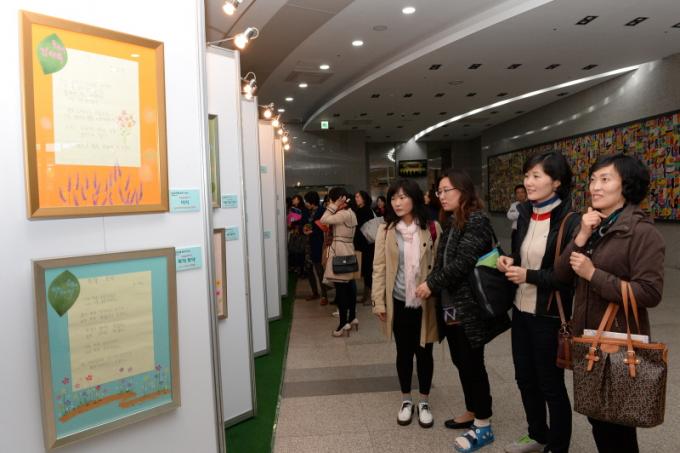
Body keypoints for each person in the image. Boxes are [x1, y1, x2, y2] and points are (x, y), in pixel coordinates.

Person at [554, 154, 665, 453]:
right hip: (588, 338)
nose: (595, 187)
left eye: (605, 179)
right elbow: (561, 275)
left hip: (618, 341)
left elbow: (650, 292)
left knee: (618, 425)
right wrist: (581, 235)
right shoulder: (592, 225)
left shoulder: (642, 232)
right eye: (593, 180)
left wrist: (594, 275)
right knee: (599, 418)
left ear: (626, 186)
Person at [415, 169, 506, 453]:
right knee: (461, 361)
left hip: (469, 308)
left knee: (472, 363)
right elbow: (443, 262)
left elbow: (463, 263)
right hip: (452, 307)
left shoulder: (476, 221)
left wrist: (430, 284)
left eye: (447, 190)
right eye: (439, 191)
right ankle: (472, 409)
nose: (441, 196)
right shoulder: (454, 220)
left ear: (464, 192)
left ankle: (483, 424)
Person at [496, 152, 580, 453]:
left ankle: (557, 446)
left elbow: (565, 276)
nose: (528, 182)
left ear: (556, 182)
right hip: (520, 310)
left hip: (548, 315)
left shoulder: (571, 221)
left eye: (536, 176)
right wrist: (509, 261)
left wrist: (527, 275)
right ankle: (537, 434)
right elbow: (521, 255)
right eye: (526, 175)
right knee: (525, 379)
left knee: (550, 385)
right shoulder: (525, 214)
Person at [372, 179, 441, 429]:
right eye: (393, 198)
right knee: (403, 352)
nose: (397, 202)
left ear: (415, 198)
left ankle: (424, 401)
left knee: (425, 352)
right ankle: (406, 399)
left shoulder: (432, 227)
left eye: (402, 197)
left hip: (425, 302)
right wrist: (378, 302)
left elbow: (440, 265)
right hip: (398, 301)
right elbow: (379, 268)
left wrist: (430, 285)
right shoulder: (386, 230)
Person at [321, 188, 358, 336]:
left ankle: (343, 324)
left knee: (341, 291)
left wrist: (334, 205)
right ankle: (352, 317)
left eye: (331, 200)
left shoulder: (342, 214)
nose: (330, 202)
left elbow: (324, 219)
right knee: (349, 287)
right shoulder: (350, 212)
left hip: (340, 254)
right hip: (348, 251)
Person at [303, 191, 328, 304]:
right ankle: (314, 292)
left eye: (307, 201)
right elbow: (303, 223)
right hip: (308, 244)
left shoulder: (322, 211)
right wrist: (303, 229)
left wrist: (313, 232)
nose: (306, 203)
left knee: (319, 271)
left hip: (318, 243)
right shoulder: (306, 211)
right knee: (309, 269)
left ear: (312, 201)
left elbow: (325, 228)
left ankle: (324, 296)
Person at [353, 190, 376, 305]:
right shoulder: (360, 210)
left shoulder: (366, 210)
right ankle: (365, 296)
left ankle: (371, 297)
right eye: (356, 197)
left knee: (368, 271)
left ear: (364, 198)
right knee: (365, 271)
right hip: (363, 244)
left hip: (367, 245)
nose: (356, 198)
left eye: (358, 196)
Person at [507, 184, 527, 253]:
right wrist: (522, 213)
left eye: (522, 192)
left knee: (524, 252)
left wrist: (517, 213)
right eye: (518, 193)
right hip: (516, 232)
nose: (520, 194)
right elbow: (509, 216)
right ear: (515, 195)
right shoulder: (514, 205)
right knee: (514, 251)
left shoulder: (530, 204)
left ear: (526, 193)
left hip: (526, 232)